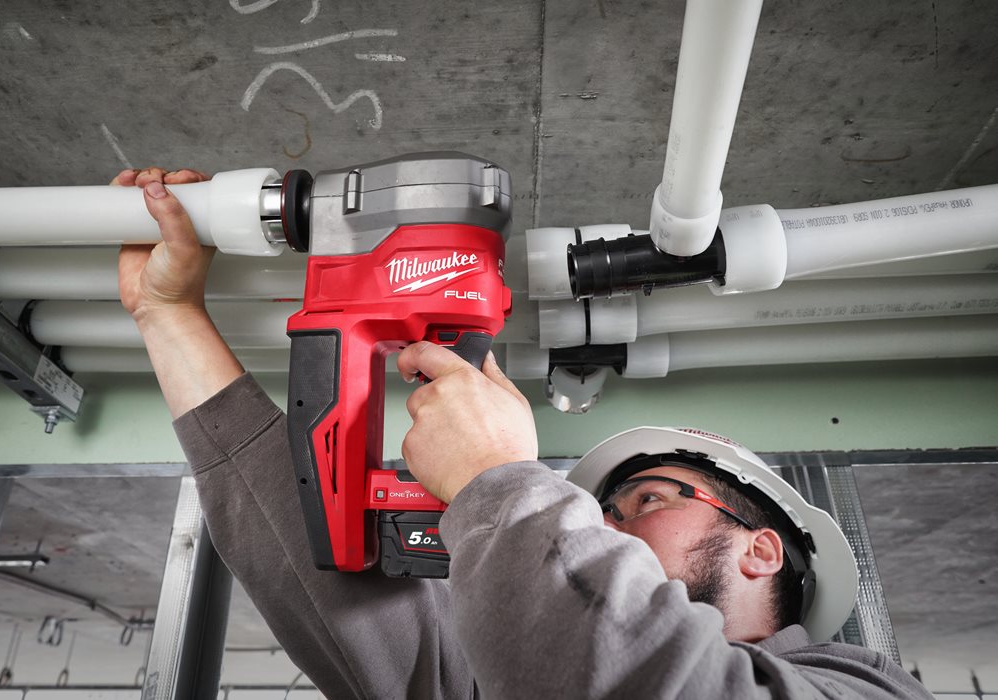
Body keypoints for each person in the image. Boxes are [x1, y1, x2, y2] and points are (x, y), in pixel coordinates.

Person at [116, 166, 934, 699]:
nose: (605, 525)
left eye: (650, 498)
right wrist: (168, 313)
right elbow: (315, 576)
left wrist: (496, 480)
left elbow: (645, 675)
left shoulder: (868, 690)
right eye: (607, 510)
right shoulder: (488, 673)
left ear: (760, 549)